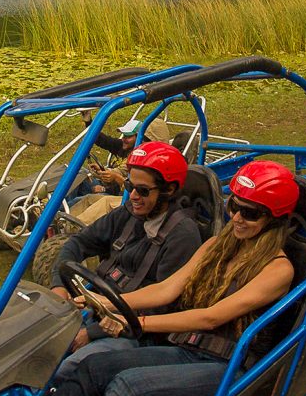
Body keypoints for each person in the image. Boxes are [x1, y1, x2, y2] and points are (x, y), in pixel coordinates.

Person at [38, 160, 299, 396]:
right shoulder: (218, 245)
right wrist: (109, 303)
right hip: (189, 350)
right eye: (233, 206)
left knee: (129, 384)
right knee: (94, 366)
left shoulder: (278, 269)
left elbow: (211, 317)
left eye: (250, 213)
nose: (237, 218)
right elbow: (167, 289)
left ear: (275, 219)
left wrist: (134, 323)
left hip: (228, 368)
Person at [51, 141, 202, 377]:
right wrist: (59, 287)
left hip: (137, 332)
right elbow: (77, 243)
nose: (132, 196)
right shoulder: (128, 215)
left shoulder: (183, 235)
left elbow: (162, 307)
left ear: (169, 190)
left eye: (142, 190)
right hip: (96, 308)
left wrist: (92, 333)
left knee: (70, 369)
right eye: (130, 185)